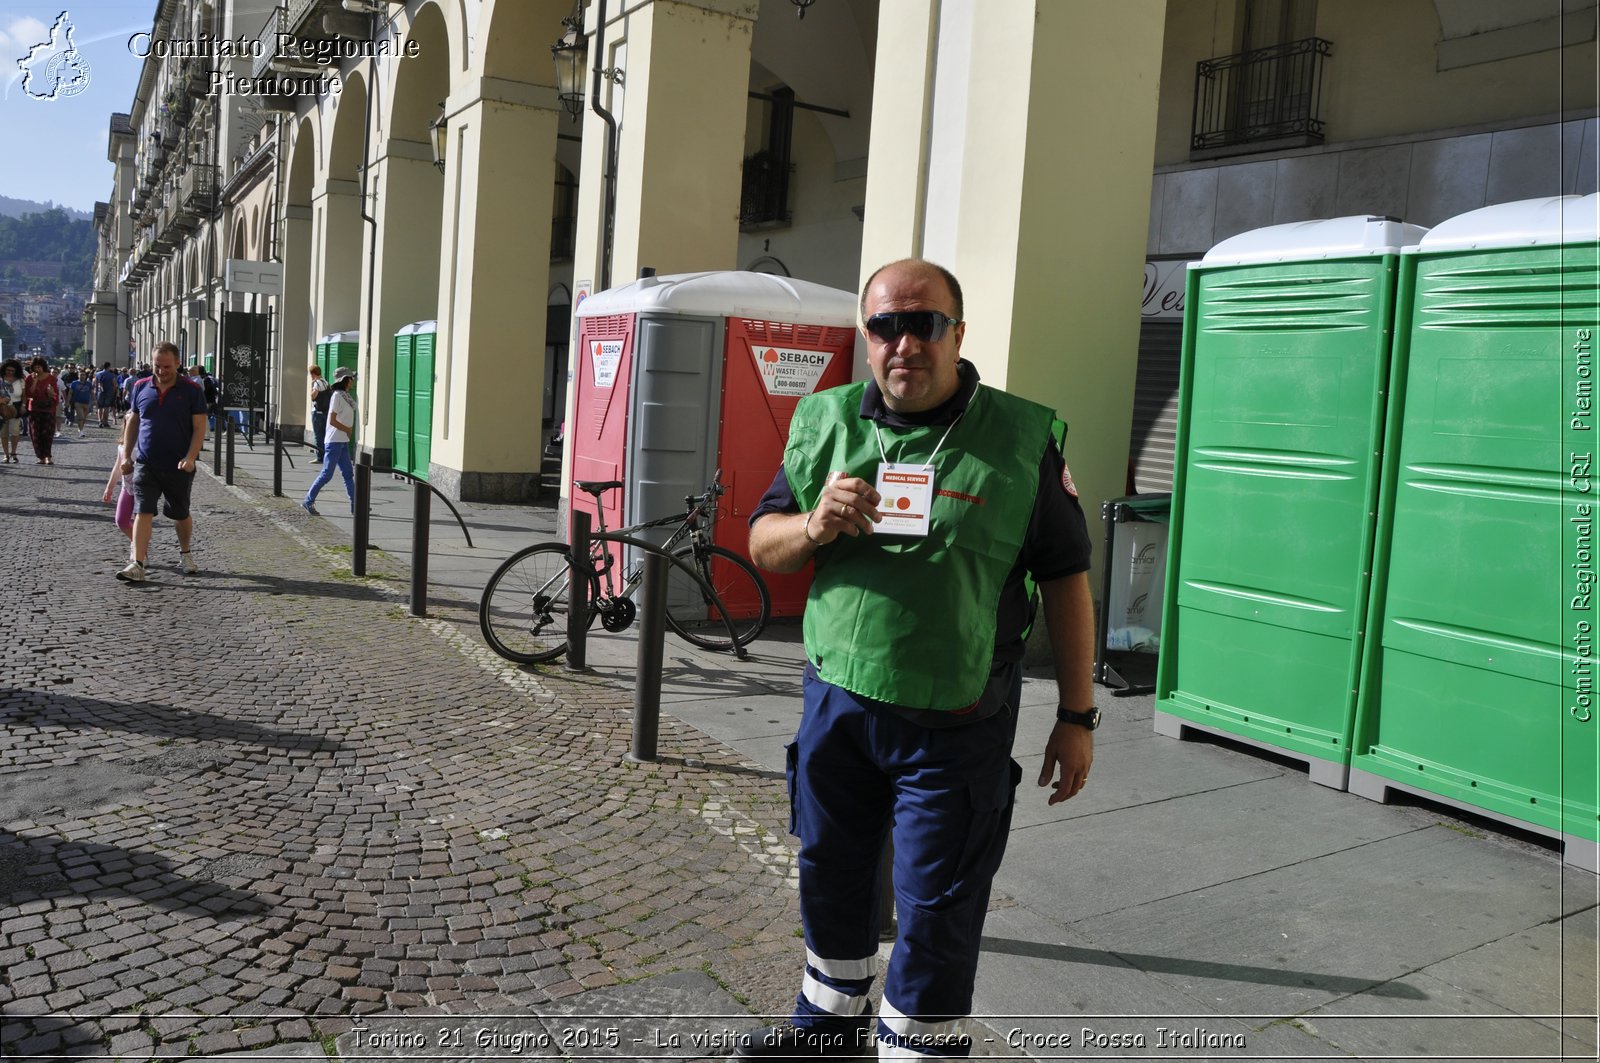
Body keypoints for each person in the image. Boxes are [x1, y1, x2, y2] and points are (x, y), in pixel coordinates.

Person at [735, 259, 1097, 1061]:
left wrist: (1077, 716)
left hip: (955, 725)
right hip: (838, 707)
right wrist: (815, 525)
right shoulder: (826, 422)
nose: (904, 342)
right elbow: (764, 543)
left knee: (937, 905)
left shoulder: (1017, 441)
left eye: (924, 323)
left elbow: (1068, 579)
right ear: (866, 339)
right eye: (885, 325)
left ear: (958, 334)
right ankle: (827, 1027)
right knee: (831, 874)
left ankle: (918, 1052)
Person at [116, 342, 209, 582]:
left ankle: (185, 553)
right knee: (143, 511)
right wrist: (127, 455)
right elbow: (133, 422)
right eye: (157, 365)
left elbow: (199, 428)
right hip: (146, 463)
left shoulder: (191, 390)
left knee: (180, 513)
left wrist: (190, 457)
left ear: (178, 364)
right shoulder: (140, 386)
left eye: (166, 366)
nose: (161, 371)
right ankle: (137, 562)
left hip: (179, 464)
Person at [302, 366, 357, 515]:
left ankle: (355, 504)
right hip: (334, 440)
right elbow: (332, 420)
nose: (353, 381)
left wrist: (347, 431)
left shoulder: (346, 395)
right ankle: (308, 500)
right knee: (327, 474)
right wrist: (347, 429)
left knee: (348, 473)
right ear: (345, 380)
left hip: (342, 441)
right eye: (351, 378)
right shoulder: (337, 396)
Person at [102, 411, 135, 542]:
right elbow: (117, 468)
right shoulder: (122, 446)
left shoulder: (145, 443)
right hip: (126, 487)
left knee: (141, 519)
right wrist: (109, 488)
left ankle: (139, 551)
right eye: (128, 422)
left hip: (144, 487)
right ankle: (138, 544)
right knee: (121, 521)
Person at [22, 357, 58, 465]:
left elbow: (55, 394)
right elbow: (29, 394)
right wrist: (35, 382)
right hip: (35, 408)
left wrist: (51, 392)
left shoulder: (51, 378)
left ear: (43, 367)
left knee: (47, 433)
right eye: (35, 367)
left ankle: (48, 456)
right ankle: (40, 456)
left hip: (48, 408)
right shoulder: (29, 378)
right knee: (35, 433)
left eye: (39, 367)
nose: (37, 369)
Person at [0, 359, 24, 463]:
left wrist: (23, 405)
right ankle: (6, 455)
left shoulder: (21, 380)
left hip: (16, 408)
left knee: (15, 432)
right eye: (8, 370)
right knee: (3, 433)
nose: (10, 372)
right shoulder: (0, 379)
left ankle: (14, 453)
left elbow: (24, 395)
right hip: (1, 407)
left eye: (12, 370)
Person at [308, 364, 328, 463]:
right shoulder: (325, 382)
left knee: (317, 435)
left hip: (317, 411)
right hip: (325, 412)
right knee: (324, 434)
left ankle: (319, 457)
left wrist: (312, 391)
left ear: (313, 374)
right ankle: (325, 456)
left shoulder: (317, 383)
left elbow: (313, 396)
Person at [95, 362, 118, 427]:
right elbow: (114, 385)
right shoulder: (111, 375)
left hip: (100, 392)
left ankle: (100, 421)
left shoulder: (97, 374)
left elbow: (96, 384)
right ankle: (105, 421)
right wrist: (114, 392)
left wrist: (96, 392)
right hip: (109, 392)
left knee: (100, 407)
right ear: (109, 367)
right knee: (106, 407)